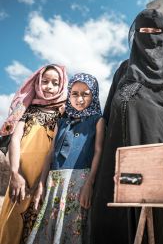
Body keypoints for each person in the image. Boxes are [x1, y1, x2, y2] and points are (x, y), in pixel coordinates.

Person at [91, 9, 163, 244]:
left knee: (151, 227)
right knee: (109, 225)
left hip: (156, 159)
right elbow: (105, 119)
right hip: (114, 163)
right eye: (143, 31)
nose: (149, 36)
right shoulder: (124, 70)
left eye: (155, 31)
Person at [26, 73, 105, 244]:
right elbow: (51, 153)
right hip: (54, 183)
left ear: (94, 95)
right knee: (49, 228)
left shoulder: (97, 120)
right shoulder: (62, 122)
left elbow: (98, 151)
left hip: (79, 182)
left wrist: (89, 184)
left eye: (86, 93)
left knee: (73, 228)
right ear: (69, 95)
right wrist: (41, 184)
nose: (80, 99)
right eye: (75, 93)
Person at [0, 64, 67, 244]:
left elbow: (53, 149)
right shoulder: (26, 109)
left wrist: (41, 183)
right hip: (20, 175)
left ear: (61, 85)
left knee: (36, 224)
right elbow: (14, 140)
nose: (49, 87)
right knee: (11, 222)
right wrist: (15, 173)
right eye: (45, 82)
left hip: (44, 179)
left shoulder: (62, 112)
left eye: (55, 83)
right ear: (37, 82)